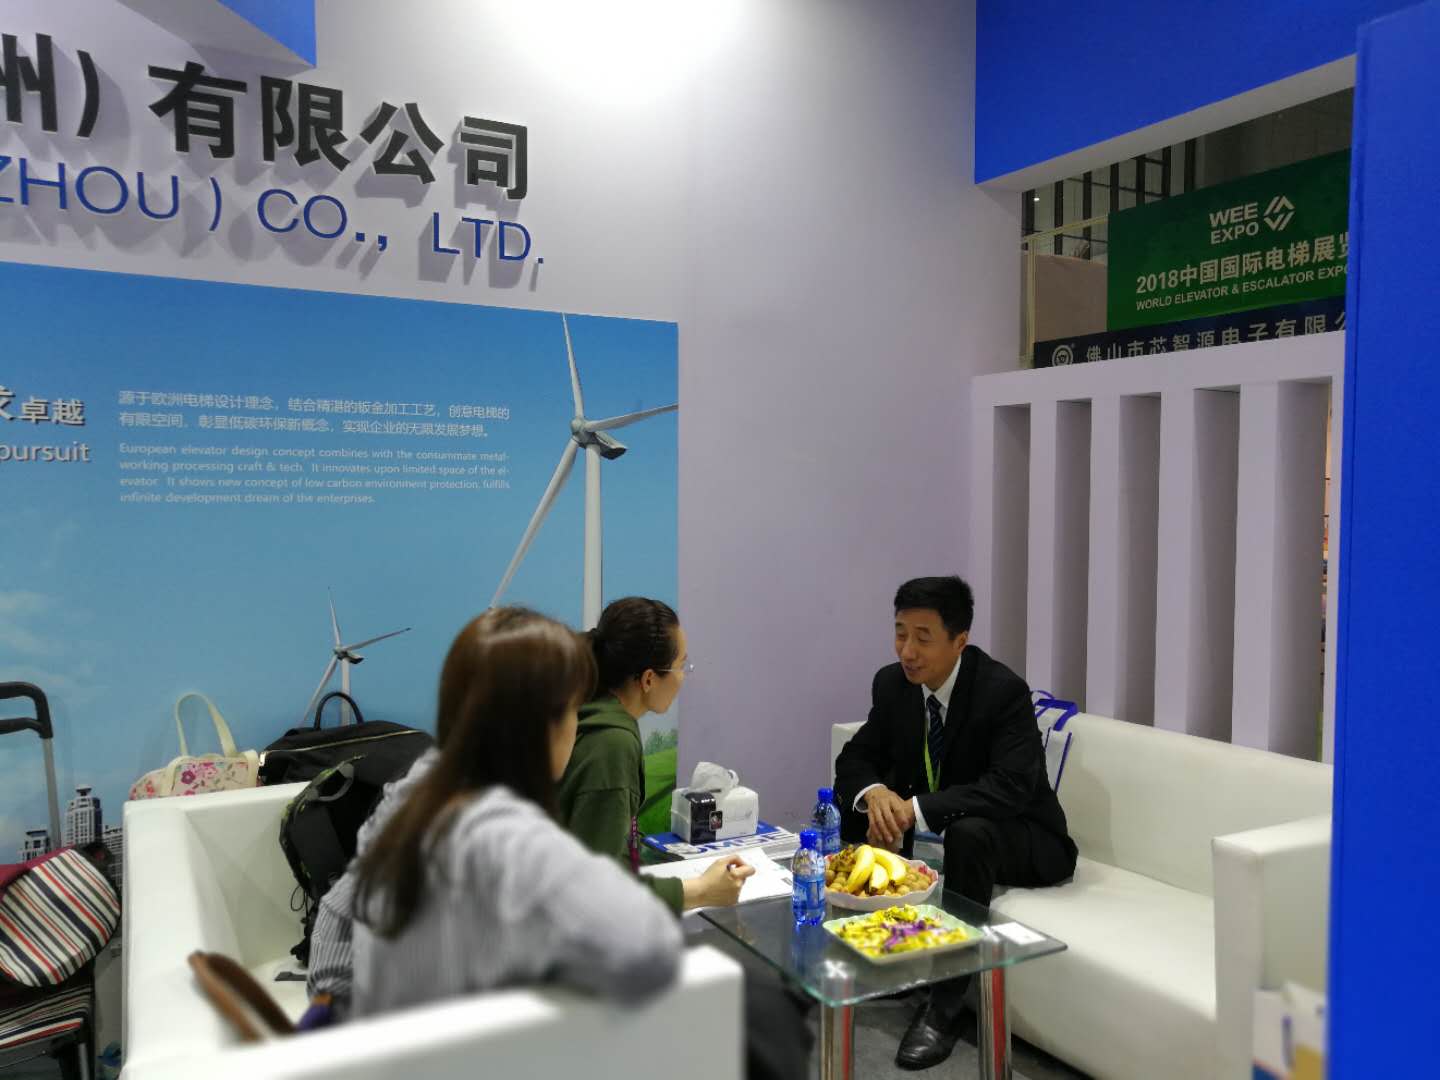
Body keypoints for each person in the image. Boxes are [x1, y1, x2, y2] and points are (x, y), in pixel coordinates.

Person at [313, 607, 682, 1020]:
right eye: (574, 710)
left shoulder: (416, 785)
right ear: (543, 724)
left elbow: (336, 909)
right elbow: (650, 952)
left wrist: (335, 1019)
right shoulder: (511, 838)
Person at [834, 575, 1077, 1070]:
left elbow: (1010, 787)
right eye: (900, 633)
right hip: (949, 826)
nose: (907, 651)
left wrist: (917, 808)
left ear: (959, 641)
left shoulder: (1001, 692)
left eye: (923, 638)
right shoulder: (893, 685)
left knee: (968, 831)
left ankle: (944, 1008)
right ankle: (881, 957)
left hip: (1025, 837)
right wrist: (875, 793)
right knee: (866, 807)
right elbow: (856, 757)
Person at [556, 596, 750, 912]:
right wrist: (702, 890)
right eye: (681, 665)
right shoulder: (612, 744)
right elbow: (597, 892)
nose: (683, 676)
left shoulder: (593, 714)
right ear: (648, 679)